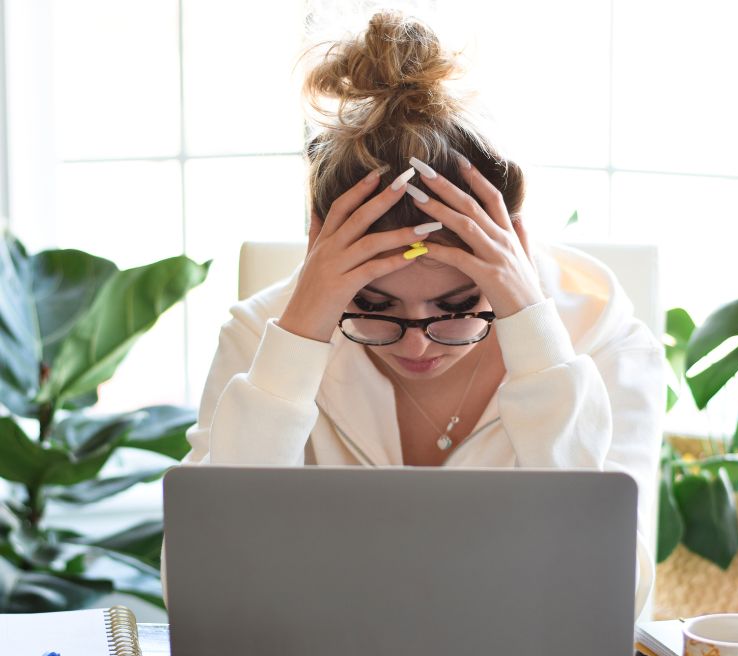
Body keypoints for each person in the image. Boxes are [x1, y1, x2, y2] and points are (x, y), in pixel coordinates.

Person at [161, 11, 665, 603]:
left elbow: (614, 597)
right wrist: (298, 344)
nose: (416, 344)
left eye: (456, 306)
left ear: (513, 251)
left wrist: (533, 332)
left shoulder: (605, 343)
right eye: (374, 306)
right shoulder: (263, 339)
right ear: (320, 252)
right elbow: (199, 590)